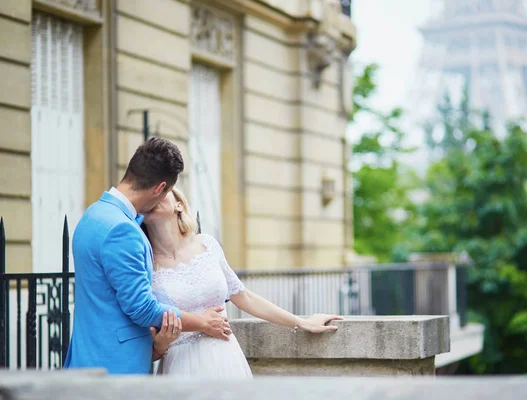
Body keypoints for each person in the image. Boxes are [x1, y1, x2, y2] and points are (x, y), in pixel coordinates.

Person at [64, 138, 231, 374]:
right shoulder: (123, 230)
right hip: (117, 368)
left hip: (86, 358)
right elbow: (142, 308)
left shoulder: (92, 215)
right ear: (159, 188)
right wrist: (202, 322)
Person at [143, 187, 342, 379]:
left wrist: (302, 322)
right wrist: (159, 345)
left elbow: (244, 297)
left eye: (162, 190)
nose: (154, 194)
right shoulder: (143, 264)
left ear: (179, 204)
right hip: (181, 367)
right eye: (148, 192)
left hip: (226, 357)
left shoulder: (207, 244)